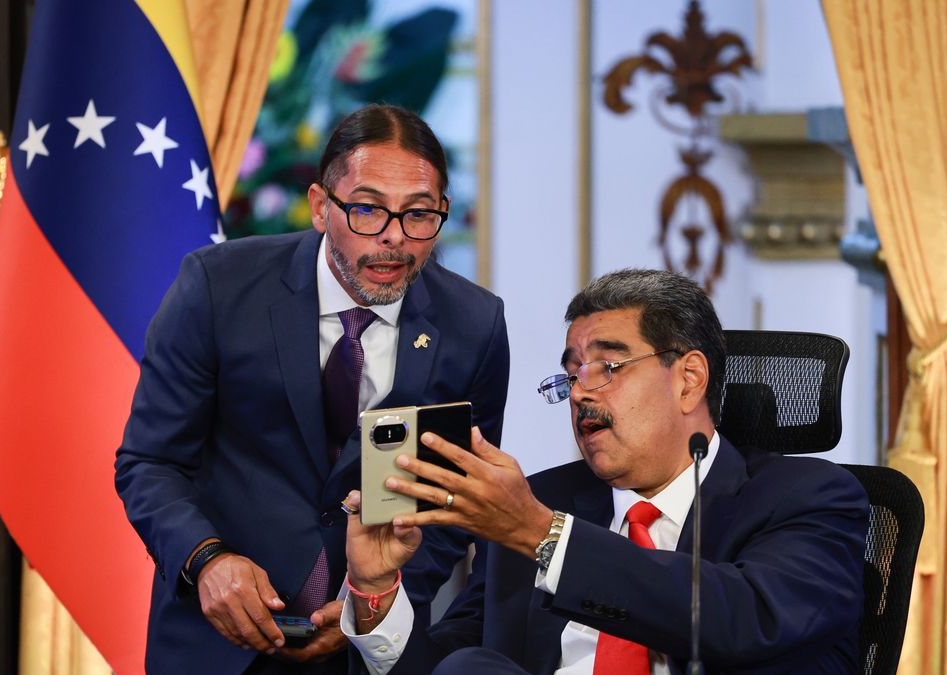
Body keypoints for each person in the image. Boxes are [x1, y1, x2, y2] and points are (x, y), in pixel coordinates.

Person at [114, 104, 509, 674]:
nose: (394, 240)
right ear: (322, 207)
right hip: (217, 641)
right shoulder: (218, 287)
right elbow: (149, 462)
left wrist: (374, 605)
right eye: (368, 209)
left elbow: (455, 501)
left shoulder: (475, 324)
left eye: (420, 215)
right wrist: (207, 561)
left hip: (368, 651)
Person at [340, 268, 868, 674]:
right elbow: (450, 666)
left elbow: (749, 619)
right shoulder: (540, 501)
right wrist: (377, 590)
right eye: (570, 373)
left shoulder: (810, 497)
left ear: (689, 379)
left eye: (606, 368)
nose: (579, 392)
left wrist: (541, 536)